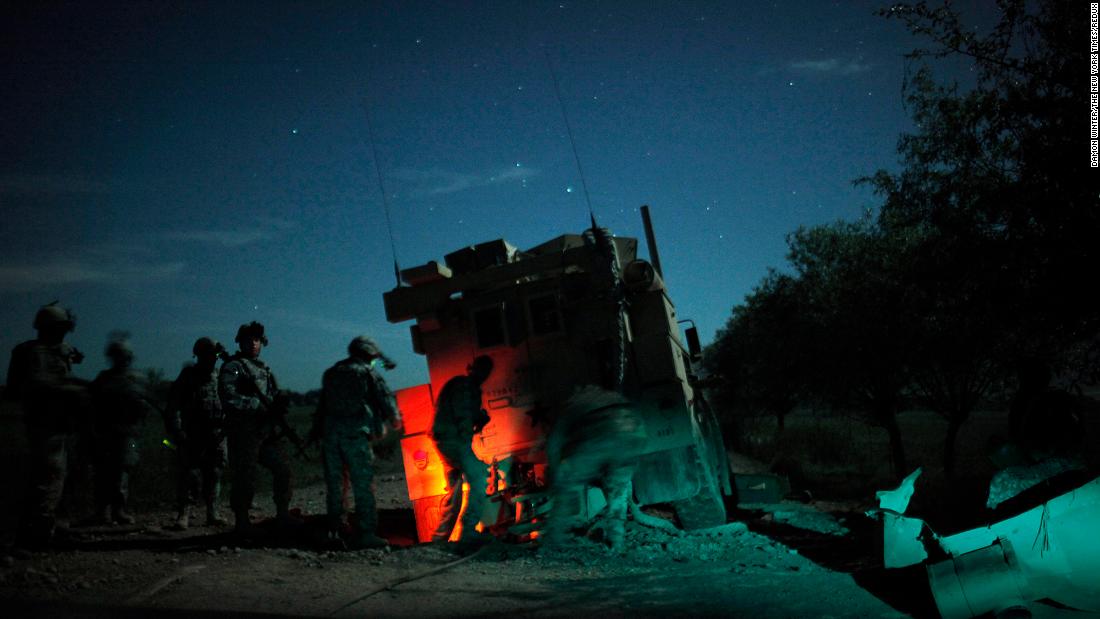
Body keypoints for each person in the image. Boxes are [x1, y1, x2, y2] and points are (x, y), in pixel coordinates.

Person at [5, 303, 89, 549]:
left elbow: (68, 359)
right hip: (44, 427)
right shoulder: (34, 353)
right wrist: (74, 388)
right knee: (48, 479)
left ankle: (53, 528)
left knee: (61, 478)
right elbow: (38, 384)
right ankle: (36, 535)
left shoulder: (53, 349)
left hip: (61, 426)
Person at [309, 336, 400, 549]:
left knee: (336, 486)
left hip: (331, 437)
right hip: (355, 436)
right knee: (362, 484)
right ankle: (366, 533)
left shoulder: (331, 373)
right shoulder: (367, 373)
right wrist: (395, 420)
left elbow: (322, 405)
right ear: (368, 355)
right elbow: (386, 400)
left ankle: (336, 531)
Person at [542, 385, 647, 551]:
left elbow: (555, 442)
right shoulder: (607, 396)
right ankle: (616, 539)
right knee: (618, 490)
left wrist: (556, 473)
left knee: (567, 484)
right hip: (632, 433)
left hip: (602, 431)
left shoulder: (572, 406)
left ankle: (555, 538)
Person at [218, 321, 294, 535]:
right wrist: (257, 406)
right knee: (245, 476)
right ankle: (242, 523)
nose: (253, 343)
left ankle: (283, 514)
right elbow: (228, 397)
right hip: (244, 432)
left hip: (265, 431)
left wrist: (278, 403)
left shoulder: (264, 369)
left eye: (257, 339)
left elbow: (272, 395)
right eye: (248, 339)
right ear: (240, 342)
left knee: (283, 469)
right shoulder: (232, 368)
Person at [88, 334, 156, 525]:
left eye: (124, 355)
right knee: (102, 473)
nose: (121, 359)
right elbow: (93, 405)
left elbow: (145, 406)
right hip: (105, 431)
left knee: (121, 474)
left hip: (127, 432)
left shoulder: (137, 379)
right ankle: (102, 511)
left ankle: (118, 510)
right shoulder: (103, 378)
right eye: (118, 355)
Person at [164, 337, 228, 530]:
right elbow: (173, 406)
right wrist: (177, 431)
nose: (212, 359)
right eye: (208, 355)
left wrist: (225, 429)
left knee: (215, 473)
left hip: (216, 434)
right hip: (193, 433)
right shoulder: (188, 376)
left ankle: (212, 512)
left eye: (214, 355)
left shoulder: (220, 376)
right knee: (189, 474)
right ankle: (184, 513)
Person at [429, 355, 494, 545]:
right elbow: (463, 417)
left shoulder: (464, 386)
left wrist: (478, 418)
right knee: (480, 478)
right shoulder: (465, 387)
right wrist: (468, 451)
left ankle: (439, 539)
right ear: (473, 369)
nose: (484, 374)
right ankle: (468, 531)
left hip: (446, 442)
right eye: (482, 369)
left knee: (454, 493)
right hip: (454, 442)